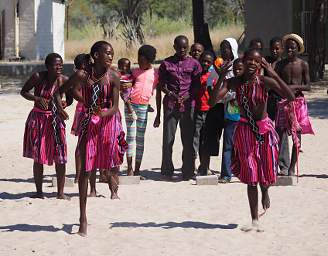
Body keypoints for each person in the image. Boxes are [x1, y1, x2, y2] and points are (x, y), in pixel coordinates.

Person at [211, 48, 295, 231]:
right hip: (244, 131)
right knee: (251, 175)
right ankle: (255, 219)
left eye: (257, 61)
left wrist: (272, 72)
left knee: (265, 174)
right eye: (249, 60)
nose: (252, 63)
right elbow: (213, 101)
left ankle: (265, 191)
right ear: (244, 60)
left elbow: (290, 96)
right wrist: (221, 77)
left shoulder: (265, 81)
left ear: (260, 64)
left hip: (264, 131)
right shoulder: (234, 83)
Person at [58, 41, 127, 236]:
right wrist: (63, 108)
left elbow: (115, 106)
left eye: (112, 54)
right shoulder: (82, 75)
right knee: (86, 171)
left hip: (107, 123)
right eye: (107, 53)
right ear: (96, 55)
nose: (111, 57)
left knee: (112, 163)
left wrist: (103, 114)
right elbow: (61, 91)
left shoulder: (114, 76)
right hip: (89, 123)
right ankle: (83, 218)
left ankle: (114, 191)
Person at [21, 53, 72, 199]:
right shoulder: (38, 77)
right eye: (56, 65)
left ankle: (60, 193)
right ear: (48, 66)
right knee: (38, 155)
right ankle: (39, 192)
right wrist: (36, 98)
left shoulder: (64, 80)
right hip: (38, 120)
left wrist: (64, 104)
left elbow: (69, 99)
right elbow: (23, 92)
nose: (59, 67)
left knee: (60, 156)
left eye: (61, 65)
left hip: (56, 120)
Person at [154, 35, 202, 180]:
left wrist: (186, 97)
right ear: (174, 47)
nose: (182, 50)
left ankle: (187, 170)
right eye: (179, 47)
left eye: (185, 47)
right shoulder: (166, 64)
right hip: (170, 105)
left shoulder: (194, 64)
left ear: (188, 47)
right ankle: (167, 169)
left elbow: (197, 85)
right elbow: (161, 85)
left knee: (187, 139)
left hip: (188, 106)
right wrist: (172, 94)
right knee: (168, 139)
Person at [275, 34, 314, 176]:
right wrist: (284, 89)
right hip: (283, 102)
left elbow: (308, 86)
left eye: (293, 48)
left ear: (298, 49)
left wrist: (294, 87)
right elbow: (276, 83)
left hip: (298, 103)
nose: (290, 50)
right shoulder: (280, 64)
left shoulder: (303, 64)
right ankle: (279, 166)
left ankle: (292, 167)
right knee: (279, 134)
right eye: (288, 48)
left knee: (297, 137)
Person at [205, 38, 239, 176]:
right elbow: (209, 83)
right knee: (214, 138)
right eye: (222, 47)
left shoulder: (237, 65)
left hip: (234, 106)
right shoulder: (216, 65)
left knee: (233, 140)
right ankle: (206, 167)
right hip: (218, 106)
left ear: (233, 50)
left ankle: (232, 170)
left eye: (227, 48)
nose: (224, 50)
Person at [125, 45, 158, 177]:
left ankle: (137, 169)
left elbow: (158, 91)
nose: (140, 61)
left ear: (149, 60)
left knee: (140, 139)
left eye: (143, 59)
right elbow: (125, 87)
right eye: (139, 58)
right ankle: (129, 169)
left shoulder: (155, 74)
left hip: (144, 108)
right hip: (130, 107)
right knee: (130, 137)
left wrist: (157, 112)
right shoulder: (134, 72)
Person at [265, 37, 290, 175]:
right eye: (273, 48)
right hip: (267, 100)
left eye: (277, 48)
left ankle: (284, 166)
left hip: (281, 100)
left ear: (282, 49)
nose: (275, 51)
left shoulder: (285, 64)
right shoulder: (266, 62)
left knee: (282, 133)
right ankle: (269, 163)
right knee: (267, 131)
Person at [218, 58, 242, 183]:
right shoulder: (229, 83)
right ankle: (226, 174)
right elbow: (220, 97)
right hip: (230, 120)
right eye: (235, 69)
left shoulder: (247, 83)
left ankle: (244, 172)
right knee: (227, 147)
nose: (237, 71)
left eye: (240, 69)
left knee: (243, 148)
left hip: (243, 121)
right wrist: (233, 96)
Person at [193, 51, 216, 175]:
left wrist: (210, 88)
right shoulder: (196, 75)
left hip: (209, 111)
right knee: (196, 140)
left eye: (208, 62)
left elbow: (215, 93)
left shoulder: (213, 76)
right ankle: (194, 165)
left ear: (212, 63)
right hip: (198, 110)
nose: (205, 63)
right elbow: (193, 91)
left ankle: (205, 166)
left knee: (206, 141)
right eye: (204, 61)